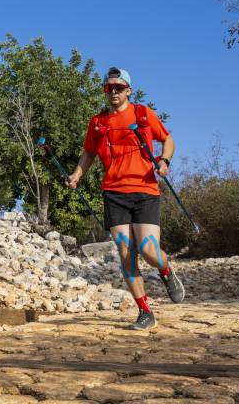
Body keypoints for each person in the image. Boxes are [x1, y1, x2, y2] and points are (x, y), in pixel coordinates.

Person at [66, 66, 185, 330]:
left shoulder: (143, 114)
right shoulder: (98, 122)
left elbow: (168, 140)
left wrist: (164, 161)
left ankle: (166, 271)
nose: (113, 92)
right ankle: (145, 311)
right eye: (109, 88)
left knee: (148, 249)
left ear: (128, 90)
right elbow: (88, 153)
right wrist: (77, 174)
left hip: (144, 190)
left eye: (118, 88)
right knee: (125, 252)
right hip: (114, 193)